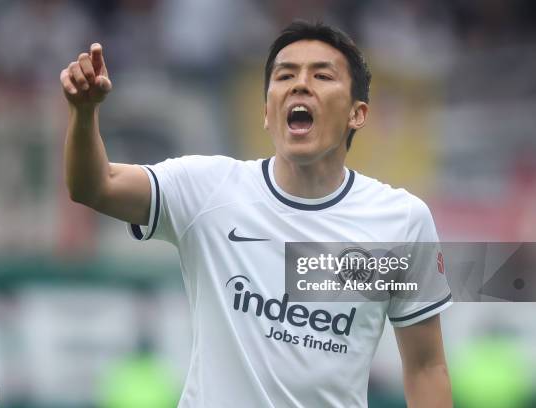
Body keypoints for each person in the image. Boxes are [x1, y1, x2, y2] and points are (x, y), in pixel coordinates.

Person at [61, 21, 452, 408]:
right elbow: (94, 186)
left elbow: (426, 367)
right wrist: (83, 113)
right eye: (285, 75)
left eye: (321, 75)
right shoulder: (206, 189)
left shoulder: (401, 220)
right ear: (267, 111)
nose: (300, 84)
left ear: (357, 113)